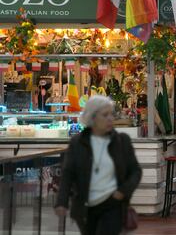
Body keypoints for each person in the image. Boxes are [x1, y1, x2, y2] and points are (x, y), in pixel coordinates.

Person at [55, 95, 142, 235]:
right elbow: (68, 173)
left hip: (112, 205)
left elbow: (135, 171)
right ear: (93, 117)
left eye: (111, 114)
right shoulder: (78, 143)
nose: (110, 119)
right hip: (85, 208)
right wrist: (62, 201)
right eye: (105, 115)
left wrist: (123, 191)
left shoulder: (121, 141)